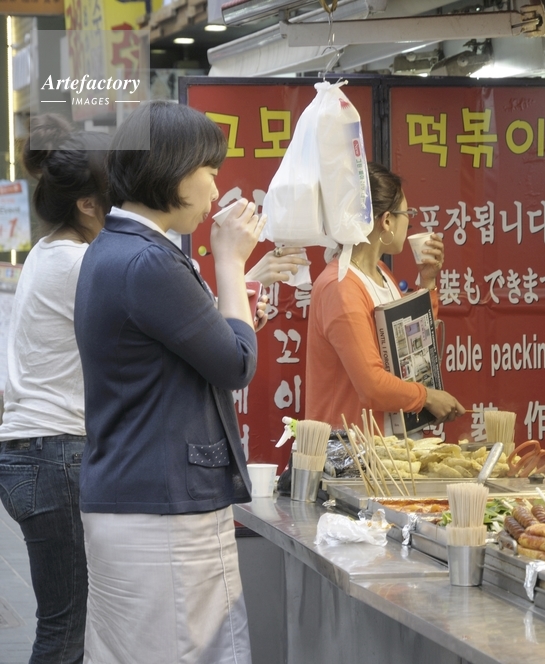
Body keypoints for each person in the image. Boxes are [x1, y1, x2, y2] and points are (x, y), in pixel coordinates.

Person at [74, 101, 263, 664]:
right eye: (209, 170)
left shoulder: (114, 248)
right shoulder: (149, 261)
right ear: (175, 171)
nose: (215, 188)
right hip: (163, 509)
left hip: (132, 494)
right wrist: (230, 262)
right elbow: (236, 363)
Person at [0, 115, 109, 664]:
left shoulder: (48, 251)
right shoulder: (78, 262)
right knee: (65, 630)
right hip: (55, 454)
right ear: (87, 204)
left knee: (67, 626)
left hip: (36, 452)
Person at [305, 162, 464, 434]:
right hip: (353, 450)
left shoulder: (380, 272)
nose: (410, 222)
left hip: (389, 446)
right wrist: (427, 397)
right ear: (387, 221)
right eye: (407, 214)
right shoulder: (341, 287)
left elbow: (410, 346)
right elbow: (372, 385)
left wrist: (427, 281)